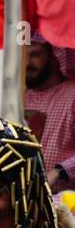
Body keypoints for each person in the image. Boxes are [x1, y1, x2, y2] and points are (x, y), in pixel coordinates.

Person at [23, 37, 75, 191]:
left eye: (34, 54)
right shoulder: (19, 97)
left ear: (54, 55)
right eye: (23, 56)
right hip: (26, 202)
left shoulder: (72, 94)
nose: (26, 63)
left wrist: (59, 171)